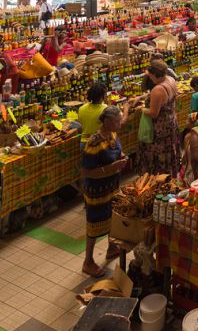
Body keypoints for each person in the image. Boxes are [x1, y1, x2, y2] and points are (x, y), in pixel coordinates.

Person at [81, 105, 129, 277]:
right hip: (96, 190)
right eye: (117, 120)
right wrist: (111, 167)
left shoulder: (113, 135)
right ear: (107, 122)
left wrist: (122, 156)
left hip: (111, 186)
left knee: (112, 217)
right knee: (94, 225)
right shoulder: (94, 143)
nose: (120, 123)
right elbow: (87, 172)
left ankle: (111, 247)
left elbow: (117, 151)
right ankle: (88, 261)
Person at [138, 60, 180, 176]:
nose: (150, 78)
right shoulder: (170, 80)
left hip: (160, 128)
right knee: (169, 150)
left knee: (157, 155)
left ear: (155, 75)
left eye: (150, 75)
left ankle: (157, 178)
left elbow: (153, 113)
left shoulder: (158, 90)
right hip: (171, 121)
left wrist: (141, 109)